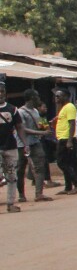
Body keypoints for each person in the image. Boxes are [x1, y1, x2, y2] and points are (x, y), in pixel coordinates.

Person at [17, 90, 53, 204]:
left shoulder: (35, 111)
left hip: (35, 142)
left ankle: (39, 193)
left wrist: (45, 127)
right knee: (20, 170)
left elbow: (39, 125)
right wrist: (42, 133)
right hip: (22, 144)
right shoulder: (20, 112)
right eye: (37, 96)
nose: (39, 98)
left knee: (40, 166)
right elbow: (22, 129)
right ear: (32, 97)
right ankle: (21, 195)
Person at [52, 89, 77, 195]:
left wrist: (69, 141)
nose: (56, 98)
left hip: (66, 139)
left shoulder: (69, 107)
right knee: (66, 163)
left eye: (58, 96)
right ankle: (68, 187)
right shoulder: (64, 108)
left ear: (65, 96)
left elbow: (72, 124)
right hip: (62, 138)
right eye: (56, 96)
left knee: (61, 163)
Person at [1, 78, 23, 212]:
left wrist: (24, 143)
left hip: (11, 147)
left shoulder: (13, 109)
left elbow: (19, 127)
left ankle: (10, 204)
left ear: (5, 93)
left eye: (2, 91)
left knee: (12, 177)